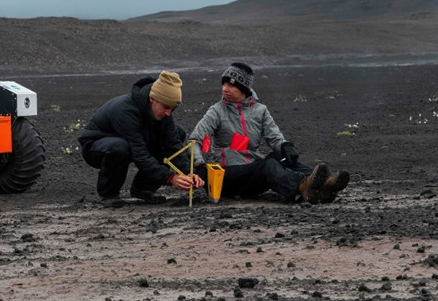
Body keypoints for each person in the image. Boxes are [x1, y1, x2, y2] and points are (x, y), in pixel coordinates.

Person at [189, 62, 350, 204]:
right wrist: (199, 164)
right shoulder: (217, 111)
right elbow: (195, 139)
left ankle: (323, 186)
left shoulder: (260, 111)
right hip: (228, 175)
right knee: (269, 165)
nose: (225, 89)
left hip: (252, 171)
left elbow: (275, 138)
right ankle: (302, 187)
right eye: (223, 84)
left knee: (284, 157)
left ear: (244, 88)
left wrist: (285, 146)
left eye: (231, 85)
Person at [79, 71, 205, 207]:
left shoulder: (164, 113)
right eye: (166, 107)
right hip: (96, 146)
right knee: (120, 147)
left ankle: (143, 189)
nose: (168, 113)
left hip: (131, 141)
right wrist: (170, 178)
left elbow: (173, 145)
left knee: (177, 132)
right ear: (152, 99)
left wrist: (189, 172)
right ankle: (109, 194)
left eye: (173, 109)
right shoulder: (126, 111)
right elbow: (139, 154)